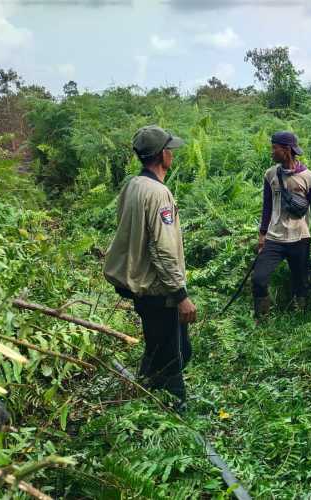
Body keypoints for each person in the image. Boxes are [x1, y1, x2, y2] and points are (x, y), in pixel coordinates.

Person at [104, 125, 198, 409]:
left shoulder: (132, 185)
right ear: (162, 155)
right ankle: (173, 409)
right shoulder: (158, 193)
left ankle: (144, 389)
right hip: (158, 287)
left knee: (158, 342)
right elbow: (163, 250)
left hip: (137, 283)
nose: (173, 153)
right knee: (174, 354)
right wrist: (181, 296)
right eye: (170, 149)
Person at [252, 131, 311, 320]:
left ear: (286, 150)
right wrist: (262, 234)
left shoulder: (310, 178)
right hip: (274, 238)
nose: (271, 152)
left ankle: (298, 316)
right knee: (258, 278)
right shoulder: (270, 175)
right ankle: (262, 319)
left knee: (300, 282)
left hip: (300, 238)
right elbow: (267, 206)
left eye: (274, 148)